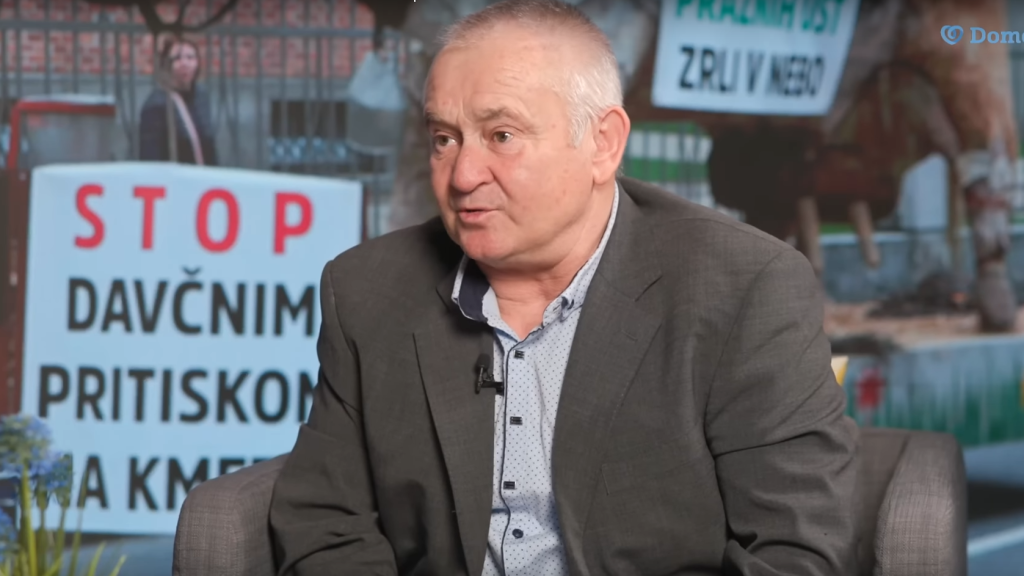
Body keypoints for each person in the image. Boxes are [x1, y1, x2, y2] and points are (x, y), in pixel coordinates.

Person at [268, 1, 859, 574]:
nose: (463, 175)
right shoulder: (367, 289)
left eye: (502, 135)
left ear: (603, 144)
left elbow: (794, 548)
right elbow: (325, 520)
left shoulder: (745, 287)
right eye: (444, 138)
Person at [138, 36, 218, 165]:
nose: (184, 63)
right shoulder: (157, 105)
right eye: (177, 58)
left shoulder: (201, 97)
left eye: (190, 57)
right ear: (166, 65)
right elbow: (151, 158)